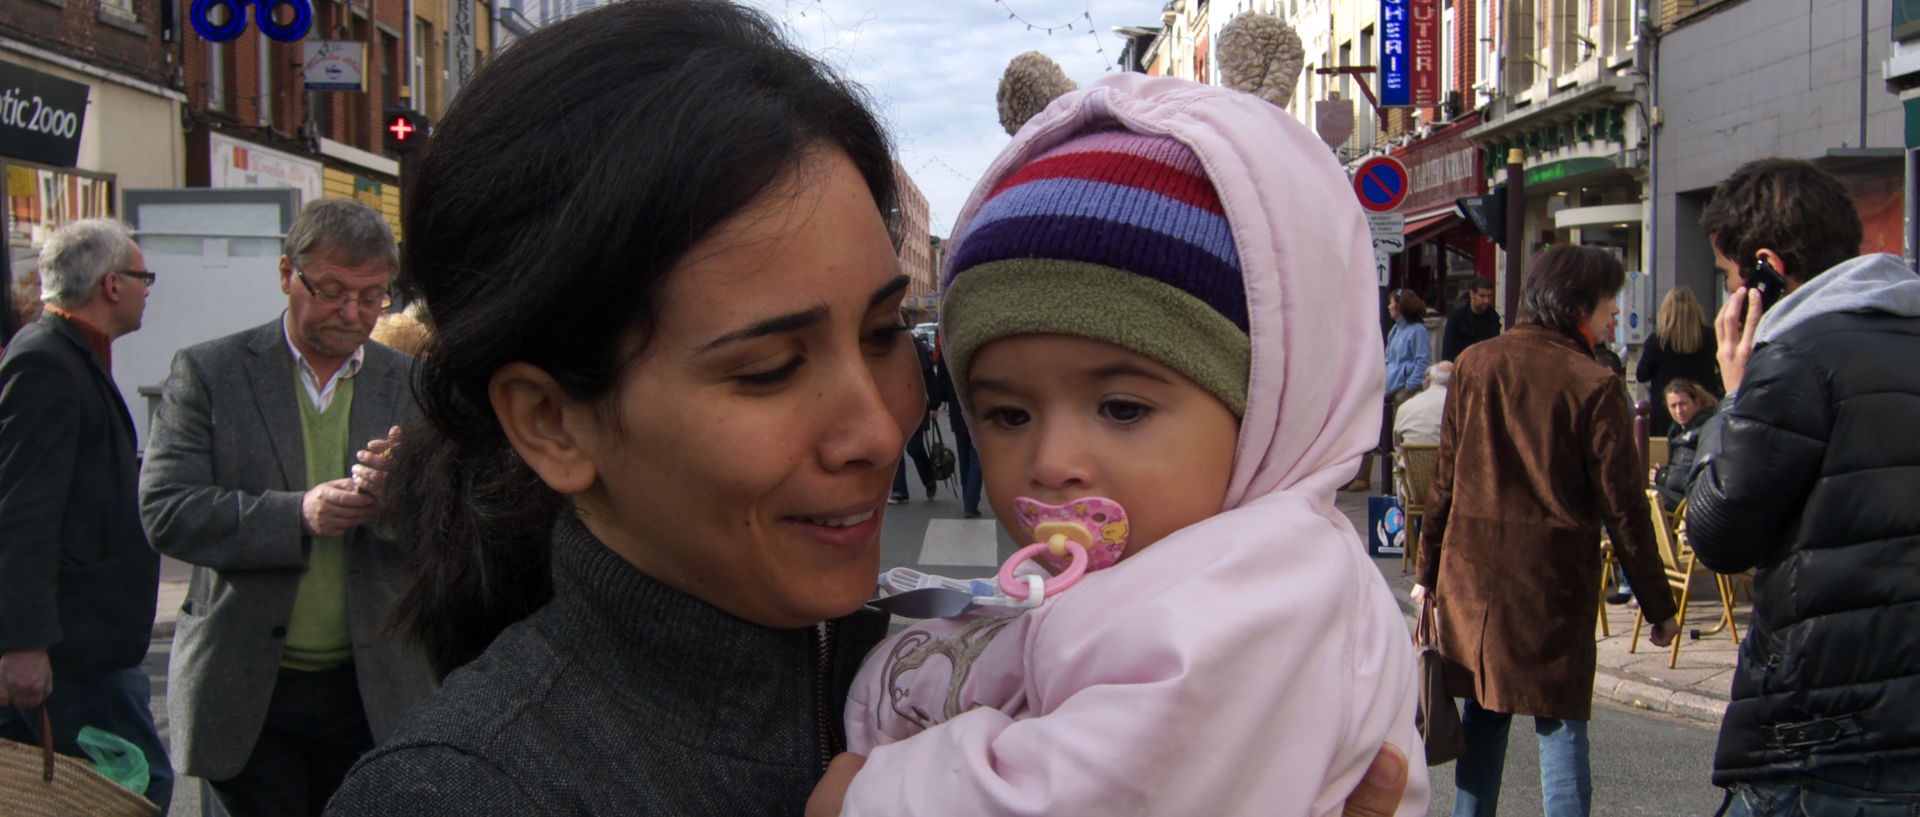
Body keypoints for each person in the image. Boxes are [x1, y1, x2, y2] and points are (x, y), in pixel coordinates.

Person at [321, 4, 1411, 815]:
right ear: (552, 422)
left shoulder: (937, 589)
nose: (883, 425)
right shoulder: (472, 792)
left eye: (887, 332)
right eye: (768, 369)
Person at [812, 67, 1426, 816]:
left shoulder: (1260, 594)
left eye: (1124, 407)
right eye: (1008, 414)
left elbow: (1096, 794)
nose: (1052, 462)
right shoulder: (1172, 573)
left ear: (1268, 409)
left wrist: (872, 799)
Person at [138, 197, 435, 817]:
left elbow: (450, 525)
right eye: (330, 290)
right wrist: (297, 514)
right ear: (285, 274)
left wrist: (398, 499)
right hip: (250, 689)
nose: (351, 313)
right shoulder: (211, 373)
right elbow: (167, 510)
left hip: (373, 687)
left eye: (371, 296)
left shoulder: (410, 384)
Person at [1685, 157, 1920, 816]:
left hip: (1821, 734)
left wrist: (1732, 400)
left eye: (1731, 278)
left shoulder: (1791, 358)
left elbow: (1720, 532)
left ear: (1767, 268)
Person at [1413, 245, 1680, 817]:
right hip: (1550, 579)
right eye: (1610, 302)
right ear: (1579, 304)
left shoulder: (1476, 364)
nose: (1615, 314)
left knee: (1484, 714)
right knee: (1560, 721)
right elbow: (1625, 509)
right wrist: (1658, 605)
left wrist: (1426, 570)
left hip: (1474, 576)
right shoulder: (1593, 382)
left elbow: (1446, 477)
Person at [0, 219, 172, 813]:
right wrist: (23, 644)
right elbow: (24, 511)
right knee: (131, 790)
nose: (149, 289)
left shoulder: (73, 356)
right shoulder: (46, 363)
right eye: (143, 276)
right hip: (73, 655)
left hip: (92, 647)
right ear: (112, 285)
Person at [1634, 285, 1718, 436]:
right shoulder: (1710, 337)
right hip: (1703, 406)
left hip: (1668, 410)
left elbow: (1642, 375)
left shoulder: (1658, 340)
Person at [928, 335, 983, 517]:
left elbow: (942, 380)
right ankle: (970, 501)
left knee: (964, 455)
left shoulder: (948, 349)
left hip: (957, 406)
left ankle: (969, 497)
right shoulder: (981, 345)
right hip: (979, 406)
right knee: (977, 456)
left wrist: (941, 399)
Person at [1649, 378, 1717, 513]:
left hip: (1691, 502)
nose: (1678, 411)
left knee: (1641, 494)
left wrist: (1663, 476)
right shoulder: (1677, 430)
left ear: (1696, 403)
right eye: (1673, 406)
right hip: (1678, 495)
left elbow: (1695, 479)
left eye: (1683, 404)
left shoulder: (1704, 430)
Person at [889, 331, 939, 504]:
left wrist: (934, 404)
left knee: (915, 447)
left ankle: (929, 479)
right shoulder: (885, 347)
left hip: (915, 405)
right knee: (894, 449)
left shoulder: (916, 346)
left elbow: (929, 376)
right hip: (891, 405)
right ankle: (899, 491)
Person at [1385, 288, 1432, 404]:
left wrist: (1409, 388)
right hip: (1391, 391)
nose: (1389, 307)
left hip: (1406, 393)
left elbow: (1423, 362)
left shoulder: (1418, 330)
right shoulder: (1395, 330)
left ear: (1400, 306)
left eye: (1391, 303)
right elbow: (1388, 360)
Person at [1393, 361, 1452, 447]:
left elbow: (1397, 444)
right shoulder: (1458, 407)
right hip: (1445, 459)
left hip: (1411, 459)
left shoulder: (1404, 406)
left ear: (1428, 381)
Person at [1441, 277, 1501, 362]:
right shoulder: (1456, 318)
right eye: (1482, 296)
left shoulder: (1493, 318)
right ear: (1472, 293)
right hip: (1462, 367)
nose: (1486, 301)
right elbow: (1448, 351)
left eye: (1489, 296)